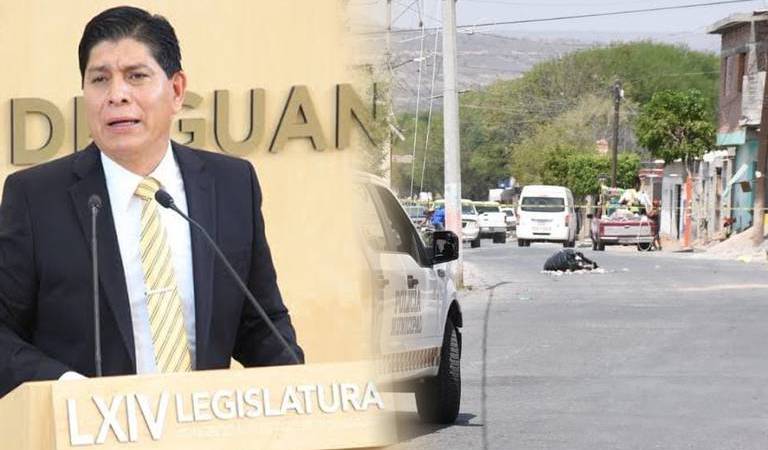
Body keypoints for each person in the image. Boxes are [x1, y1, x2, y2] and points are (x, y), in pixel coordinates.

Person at [0, 6, 303, 397]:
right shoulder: (35, 198)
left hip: (201, 423)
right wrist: (70, 391)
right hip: (84, 425)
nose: (117, 95)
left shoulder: (231, 184)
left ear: (176, 90)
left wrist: (301, 395)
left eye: (136, 76)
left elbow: (260, 322)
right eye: (100, 79)